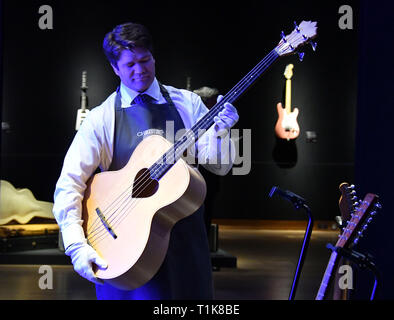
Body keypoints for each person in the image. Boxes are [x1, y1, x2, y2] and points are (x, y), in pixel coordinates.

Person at [53, 22, 239, 300]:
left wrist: (223, 133)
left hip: (184, 249)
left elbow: (219, 165)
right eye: (129, 65)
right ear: (114, 68)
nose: (139, 70)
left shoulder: (187, 104)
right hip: (123, 250)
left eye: (144, 60)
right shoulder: (102, 118)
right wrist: (75, 244)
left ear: (154, 57)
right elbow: (70, 183)